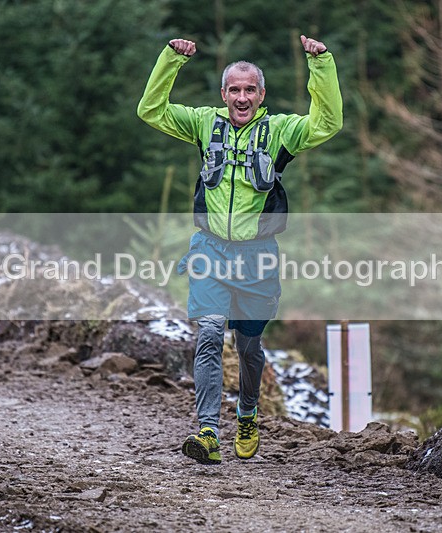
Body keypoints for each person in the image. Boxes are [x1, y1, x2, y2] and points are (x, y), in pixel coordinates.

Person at [137, 35, 342, 464]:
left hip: (258, 258)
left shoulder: (280, 131)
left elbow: (327, 124)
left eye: (250, 89)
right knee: (210, 333)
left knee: (248, 349)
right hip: (209, 251)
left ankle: (248, 412)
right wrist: (171, 60)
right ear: (223, 94)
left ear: (261, 95)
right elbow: (150, 110)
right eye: (234, 89)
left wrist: (320, 66)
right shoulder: (202, 123)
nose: (242, 97)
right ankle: (208, 431)